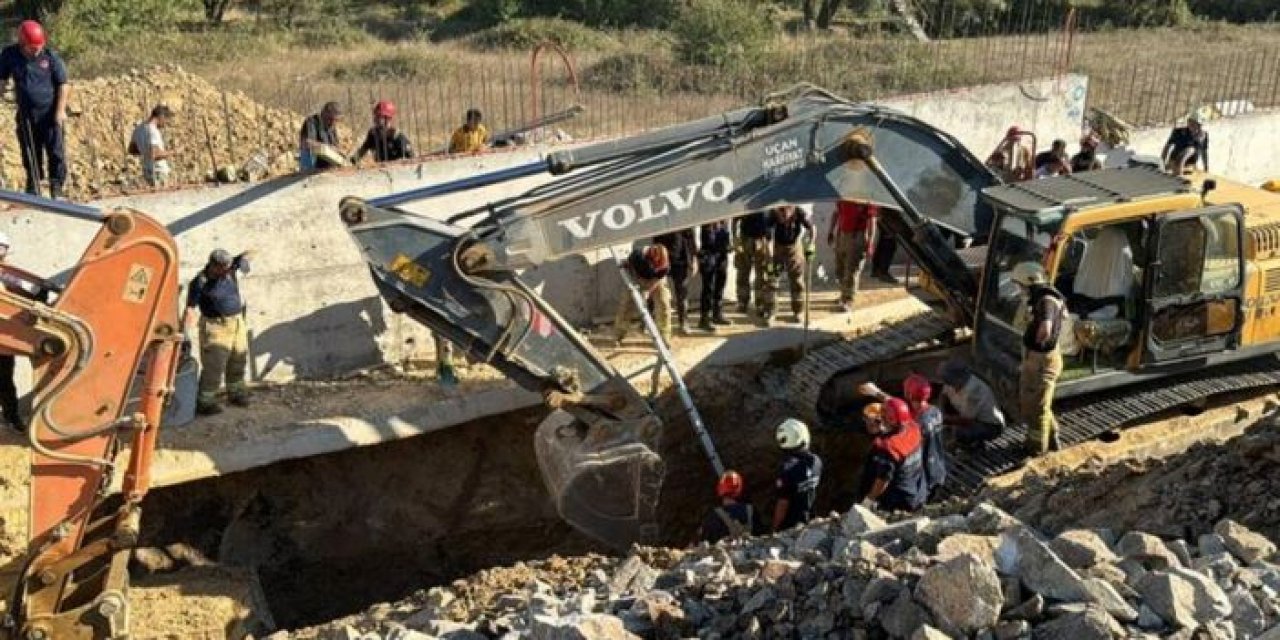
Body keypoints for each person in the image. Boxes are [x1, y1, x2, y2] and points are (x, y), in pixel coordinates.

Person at [0, 20, 69, 198]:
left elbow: (63, 84)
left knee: (56, 152)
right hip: (26, 115)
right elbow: (1, 79)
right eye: (32, 47)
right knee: (30, 150)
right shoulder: (10, 55)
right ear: (22, 44)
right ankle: (34, 185)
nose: (36, 50)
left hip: (50, 114)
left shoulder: (50, 57)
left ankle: (57, 187)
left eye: (39, 46)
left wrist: (60, 111)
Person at [183, 249, 253, 415]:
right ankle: (205, 402)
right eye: (224, 269)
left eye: (230, 268)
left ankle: (236, 393)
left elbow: (251, 252)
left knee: (238, 358)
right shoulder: (200, 282)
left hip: (236, 322)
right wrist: (185, 332)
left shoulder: (230, 268)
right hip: (215, 327)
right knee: (214, 366)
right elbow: (190, 309)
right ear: (214, 266)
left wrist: (244, 260)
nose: (228, 272)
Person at [1012, 262, 1066, 456]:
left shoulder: (1046, 301)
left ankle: (1037, 450)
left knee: (1038, 409)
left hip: (1041, 361)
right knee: (1038, 403)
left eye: (1019, 285)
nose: (1018, 289)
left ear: (1029, 282)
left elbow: (1046, 328)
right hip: (1039, 359)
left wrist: (1036, 344)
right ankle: (1052, 437)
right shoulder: (1043, 298)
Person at [860, 374, 946, 497]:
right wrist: (876, 392)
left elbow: (903, 421)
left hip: (925, 474)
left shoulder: (917, 426)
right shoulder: (935, 411)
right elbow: (903, 411)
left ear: (909, 394)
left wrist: (883, 427)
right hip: (938, 467)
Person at [855, 399, 928, 513]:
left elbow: (883, 479)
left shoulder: (889, 448)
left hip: (898, 499)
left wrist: (868, 500)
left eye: (882, 415)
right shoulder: (913, 427)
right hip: (917, 489)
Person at [762, 205, 814, 325]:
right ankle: (771, 312)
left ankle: (798, 311)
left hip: (794, 248)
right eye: (781, 213)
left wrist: (811, 244)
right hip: (778, 249)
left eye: (786, 213)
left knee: (797, 281)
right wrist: (769, 253)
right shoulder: (773, 213)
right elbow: (767, 235)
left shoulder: (799, 211)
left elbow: (812, 228)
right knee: (772, 280)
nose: (783, 215)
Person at [936, 359, 1005, 449]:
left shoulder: (973, 390)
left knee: (961, 432)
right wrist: (940, 410)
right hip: (969, 416)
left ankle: (972, 445)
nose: (947, 383)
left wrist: (942, 418)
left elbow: (966, 420)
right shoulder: (952, 382)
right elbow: (943, 394)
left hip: (990, 425)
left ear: (959, 379)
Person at [615, 244, 672, 343]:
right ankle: (620, 333)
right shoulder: (638, 256)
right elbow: (630, 265)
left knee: (663, 303)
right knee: (626, 304)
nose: (656, 266)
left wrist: (648, 292)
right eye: (655, 264)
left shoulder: (664, 266)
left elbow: (657, 280)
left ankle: (664, 335)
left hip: (655, 280)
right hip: (637, 278)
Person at [827, 200, 877, 312]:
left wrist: (870, 242)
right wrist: (831, 231)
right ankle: (843, 294)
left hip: (857, 236)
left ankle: (848, 300)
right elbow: (836, 213)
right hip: (842, 235)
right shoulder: (844, 196)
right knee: (840, 268)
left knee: (851, 270)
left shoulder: (866, 199)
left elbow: (872, 220)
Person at [773, 417, 822, 531]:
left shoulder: (787, 470)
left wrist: (774, 530)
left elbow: (782, 504)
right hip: (810, 524)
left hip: (789, 528)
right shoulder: (817, 462)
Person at [699, 470, 763, 544]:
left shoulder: (713, 516)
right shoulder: (751, 511)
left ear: (719, 490)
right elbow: (762, 535)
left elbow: (704, 542)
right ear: (739, 489)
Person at [654, 229, 698, 335]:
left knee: (682, 295)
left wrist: (694, 261)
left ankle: (684, 323)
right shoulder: (663, 220)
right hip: (664, 261)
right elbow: (656, 241)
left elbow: (691, 242)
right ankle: (651, 323)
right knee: (658, 294)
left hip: (681, 263)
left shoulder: (684, 220)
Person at [0, 232, 23, 431]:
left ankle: (11, 418)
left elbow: (32, 291)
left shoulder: (7, 275)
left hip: (5, 343)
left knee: (5, 383)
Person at [733, 211, 773, 317]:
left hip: (762, 240)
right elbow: (735, 219)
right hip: (745, 238)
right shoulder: (743, 202)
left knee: (761, 274)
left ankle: (759, 303)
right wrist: (735, 239)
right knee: (743, 271)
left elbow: (771, 222)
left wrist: (769, 243)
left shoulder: (767, 201)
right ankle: (742, 301)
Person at [351, 100, 413, 164]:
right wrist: (353, 160)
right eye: (376, 115)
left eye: (379, 116)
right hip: (380, 171)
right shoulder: (373, 135)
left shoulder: (398, 138)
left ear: (388, 118)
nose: (375, 119)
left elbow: (411, 159)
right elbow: (363, 150)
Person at [697, 220, 732, 331]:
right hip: (708, 255)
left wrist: (729, 245)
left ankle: (717, 314)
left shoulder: (724, 221)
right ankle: (704, 319)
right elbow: (698, 239)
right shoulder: (704, 222)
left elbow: (728, 231)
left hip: (721, 255)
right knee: (708, 288)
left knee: (720, 285)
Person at [129, 104, 174, 188]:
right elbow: (155, 155)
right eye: (166, 119)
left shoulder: (139, 129)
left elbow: (132, 150)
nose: (166, 123)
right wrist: (174, 152)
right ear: (161, 116)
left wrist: (144, 150)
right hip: (158, 171)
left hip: (147, 171)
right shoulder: (153, 130)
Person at [299, 101, 343, 171]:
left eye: (336, 120)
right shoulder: (311, 121)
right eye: (330, 119)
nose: (333, 123)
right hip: (312, 161)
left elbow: (336, 146)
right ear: (323, 113)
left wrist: (337, 151)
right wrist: (326, 147)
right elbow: (306, 143)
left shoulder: (332, 127)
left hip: (326, 164)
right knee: (309, 151)